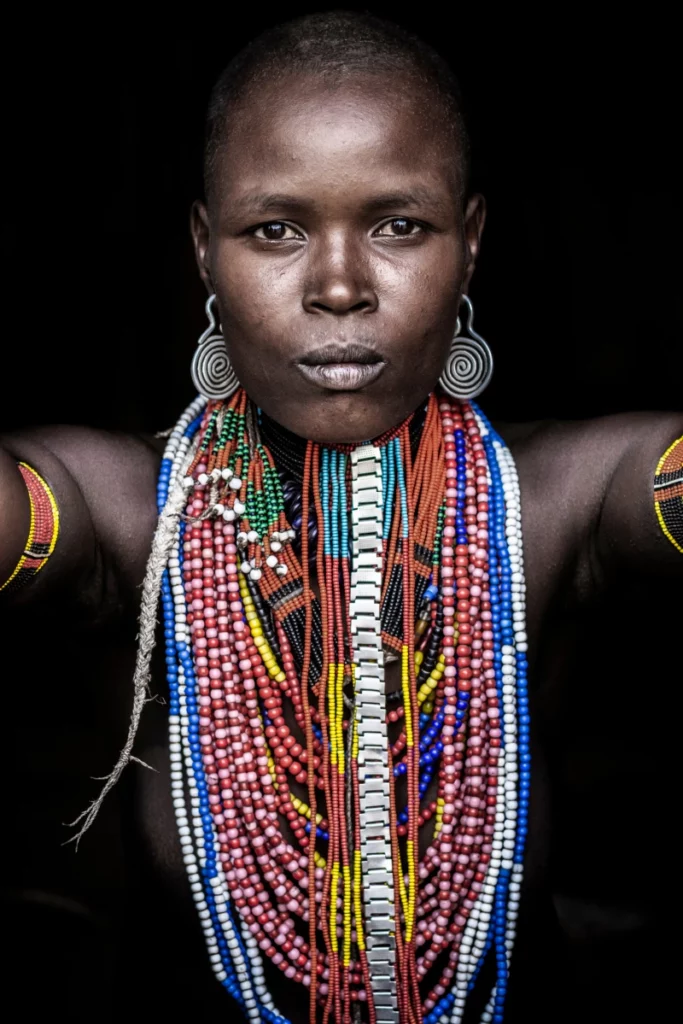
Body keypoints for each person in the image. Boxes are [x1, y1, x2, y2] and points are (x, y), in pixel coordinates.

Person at [0, 10, 680, 1024]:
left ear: (471, 241)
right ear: (202, 250)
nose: (336, 286)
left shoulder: (553, 497)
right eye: (273, 228)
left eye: (397, 224)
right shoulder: (117, 511)